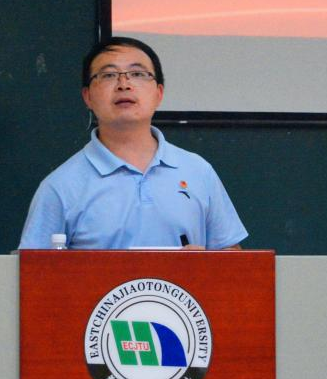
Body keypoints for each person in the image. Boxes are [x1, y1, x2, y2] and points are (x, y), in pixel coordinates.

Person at [18, 36, 247, 250]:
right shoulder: (61, 186)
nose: (124, 84)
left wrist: (208, 265)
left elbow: (235, 261)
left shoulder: (198, 171)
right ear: (87, 97)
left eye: (137, 74)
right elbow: (32, 273)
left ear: (159, 93)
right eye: (108, 75)